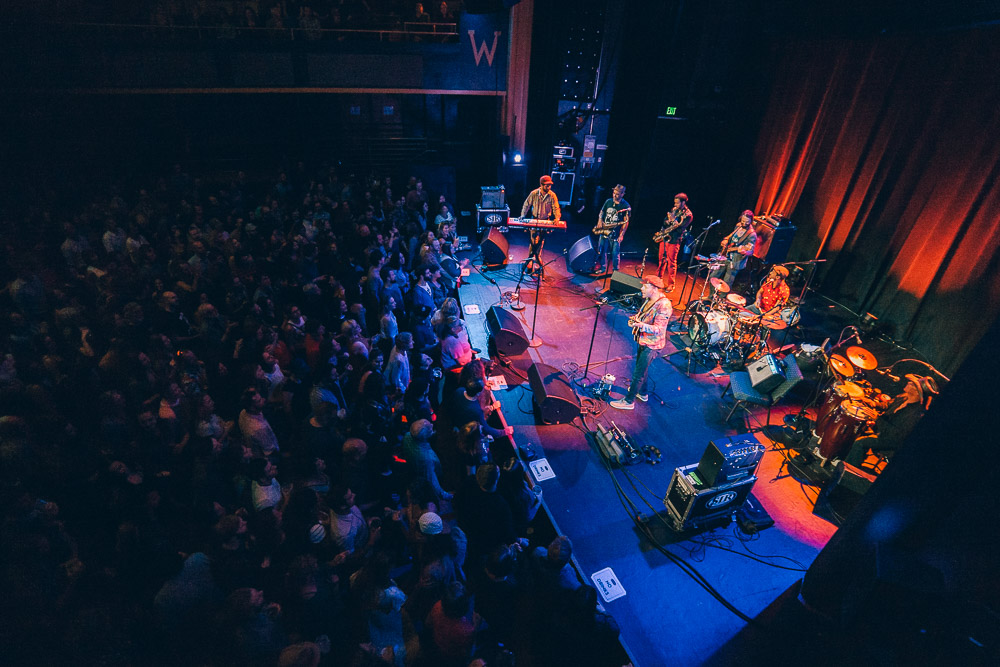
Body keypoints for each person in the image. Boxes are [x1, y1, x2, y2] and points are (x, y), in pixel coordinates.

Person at [845, 374, 939, 467]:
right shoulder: (904, 397)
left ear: (917, 392)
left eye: (912, 384)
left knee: (860, 443)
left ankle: (849, 471)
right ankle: (846, 458)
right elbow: (888, 405)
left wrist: (877, 419)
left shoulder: (916, 415)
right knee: (856, 429)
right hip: (883, 430)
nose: (909, 382)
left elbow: (894, 435)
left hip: (891, 441)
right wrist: (874, 404)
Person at [611, 276, 673, 410]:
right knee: (642, 370)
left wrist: (640, 326)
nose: (642, 288)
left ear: (654, 288)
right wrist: (635, 319)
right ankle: (643, 393)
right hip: (644, 340)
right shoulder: (649, 300)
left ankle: (628, 401)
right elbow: (643, 315)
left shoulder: (664, 305)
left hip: (652, 345)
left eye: (645, 286)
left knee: (638, 373)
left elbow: (658, 329)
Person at [520, 175, 562, 272]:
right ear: (541, 185)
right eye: (547, 185)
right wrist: (523, 215)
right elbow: (526, 205)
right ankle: (530, 259)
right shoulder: (534, 194)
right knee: (533, 240)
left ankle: (538, 257)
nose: (549, 187)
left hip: (545, 221)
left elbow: (556, 207)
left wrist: (557, 217)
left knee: (541, 241)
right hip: (534, 219)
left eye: (550, 185)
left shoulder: (552, 195)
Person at [711, 210, 757, 291]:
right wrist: (726, 239)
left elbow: (751, 251)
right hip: (725, 256)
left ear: (751, 221)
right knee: (713, 277)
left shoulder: (752, 234)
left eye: (747, 222)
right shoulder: (738, 226)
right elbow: (731, 235)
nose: (744, 223)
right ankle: (710, 297)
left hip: (735, 261)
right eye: (743, 221)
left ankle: (720, 301)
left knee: (726, 284)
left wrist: (745, 252)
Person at [656, 192, 693, 291]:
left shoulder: (688, 215)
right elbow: (664, 221)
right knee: (661, 260)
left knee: (671, 262)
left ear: (683, 202)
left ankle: (671, 284)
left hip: (675, 239)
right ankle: (658, 279)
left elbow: (681, 229)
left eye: (677, 203)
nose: (675, 205)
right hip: (666, 237)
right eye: (675, 203)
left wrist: (672, 220)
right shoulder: (674, 210)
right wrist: (667, 221)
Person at [591, 184, 630, 275]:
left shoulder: (625, 206)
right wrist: (600, 221)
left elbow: (626, 222)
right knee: (602, 250)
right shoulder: (608, 201)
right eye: (614, 193)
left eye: (617, 194)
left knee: (615, 254)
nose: (614, 195)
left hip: (615, 233)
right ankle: (602, 267)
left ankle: (615, 272)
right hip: (604, 231)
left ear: (622, 194)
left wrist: (621, 235)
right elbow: (602, 212)